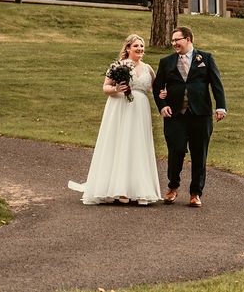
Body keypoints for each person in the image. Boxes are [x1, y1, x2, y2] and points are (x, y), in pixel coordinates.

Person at [68, 34, 162, 205]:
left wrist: (163, 94)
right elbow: (105, 88)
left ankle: (141, 190)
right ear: (127, 48)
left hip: (140, 109)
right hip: (121, 107)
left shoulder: (148, 68)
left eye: (141, 46)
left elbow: (155, 90)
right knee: (121, 144)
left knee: (138, 146)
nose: (140, 49)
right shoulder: (117, 66)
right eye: (136, 46)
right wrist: (117, 88)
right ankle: (120, 190)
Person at [153, 25, 226, 208]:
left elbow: (216, 84)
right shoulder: (166, 62)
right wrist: (162, 106)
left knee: (199, 154)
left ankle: (195, 193)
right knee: (176, 150)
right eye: (172, 40)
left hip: (200, 114)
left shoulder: (206, 58)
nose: (174, 43)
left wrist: (221, 107)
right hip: (175, 115)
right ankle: (173, 187)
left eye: (177, 39)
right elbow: (157, 87)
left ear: (188, 39)